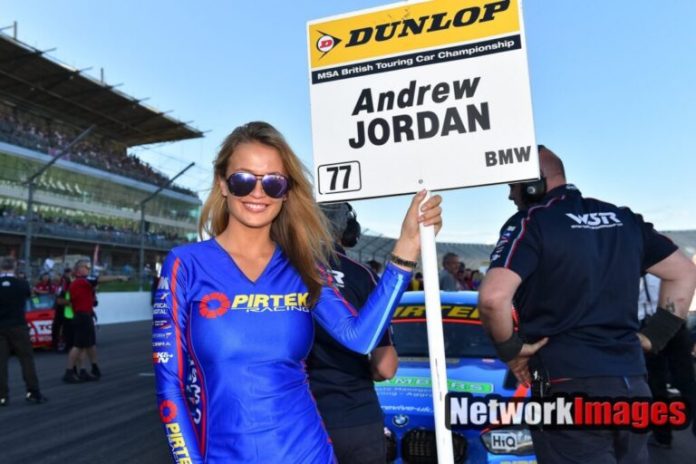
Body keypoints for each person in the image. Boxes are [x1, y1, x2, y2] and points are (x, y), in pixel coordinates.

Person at [152, 121, 442, 464]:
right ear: (223, 185)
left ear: (286, 192)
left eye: (273, 182)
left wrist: (406, 247)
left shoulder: (303, 265)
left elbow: (360, 338)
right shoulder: (185, 265)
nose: (258, 193)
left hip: (309, 453)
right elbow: (171, 389)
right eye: (243, 179)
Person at [479, 145, 696, 464]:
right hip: (632, 386)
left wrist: (510, 350)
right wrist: (654, 337)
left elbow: (492, 298)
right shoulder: (623, 218)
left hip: (567, 386)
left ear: (533, 183)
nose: (511, 196)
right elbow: (684, 272)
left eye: (513, 186)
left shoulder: (532, 221)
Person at [308, 202, 398, 464]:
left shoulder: (283, 271)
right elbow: (386, 367)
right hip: (357, 420)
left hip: (298, 421)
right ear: (349, 229)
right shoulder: (362, 275)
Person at [638, 274, 696, 447]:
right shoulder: (664, 265)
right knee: (685, 380)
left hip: (651, 328)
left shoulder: (634, 266)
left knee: (657, 384)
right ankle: (662, 434)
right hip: (674, 324)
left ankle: (662, 435)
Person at [62, 260, 126, 383]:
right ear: (79, 269)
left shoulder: (78, 283)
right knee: (78, 346)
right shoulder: (82, 281)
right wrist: (118, 277)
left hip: (82, 316)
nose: (88, 269)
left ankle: (85, 369)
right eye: (86, 267)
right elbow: (100, 279)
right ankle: (69, 371)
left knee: (87, 345)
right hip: (82, 317)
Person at [0, 257, 47, 405]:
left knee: (1, 363)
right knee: (26, 360)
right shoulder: (22, 284)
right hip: (19, 326)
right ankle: (33, 392)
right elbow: (30, 297)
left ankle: (2, 397)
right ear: (14, 268)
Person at [52, 267, 73, 352]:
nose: (68, 274)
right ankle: (57, 343)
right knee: (57, 326)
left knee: (66, 327)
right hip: (61, 308)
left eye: (69, 273)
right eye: (67, 273)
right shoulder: (62, 282)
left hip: (68, 309)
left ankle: (67, 344)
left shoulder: (71, 282)